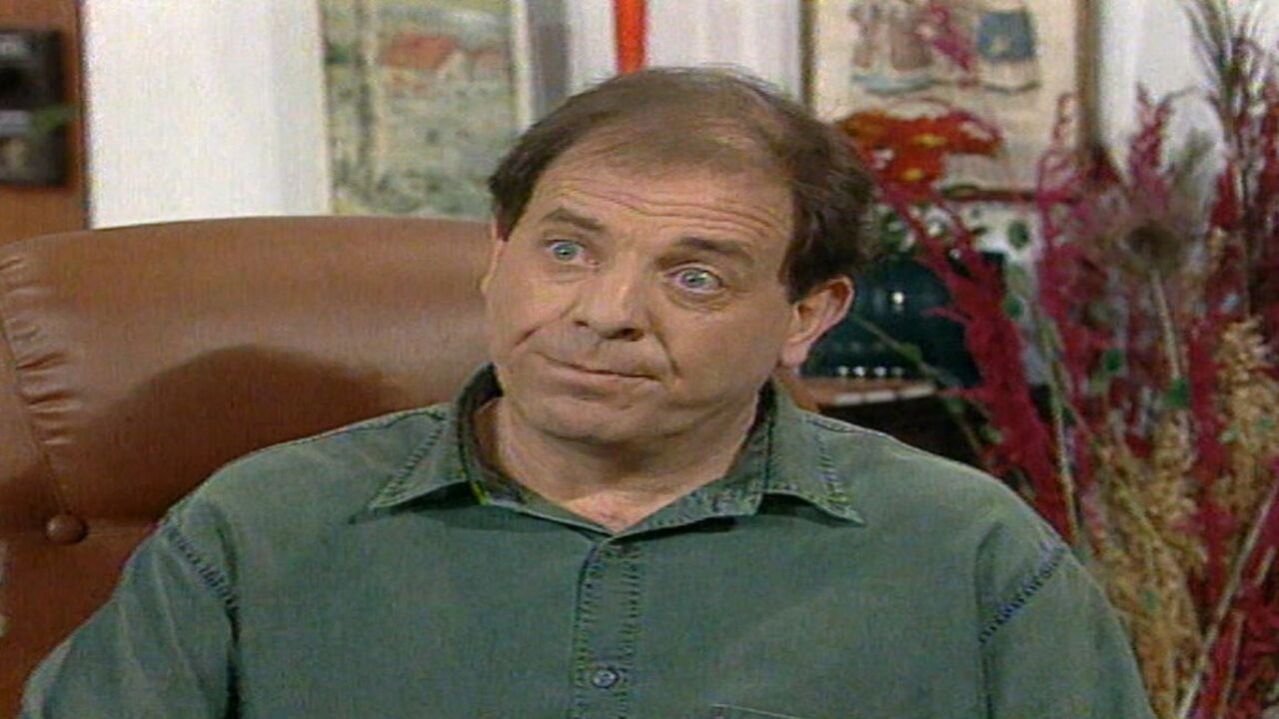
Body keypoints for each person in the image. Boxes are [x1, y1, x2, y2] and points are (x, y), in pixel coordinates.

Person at [21, 67, 1154, 718]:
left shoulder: (968, 557)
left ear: (806, 315)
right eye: (565, 250)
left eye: (694, 276)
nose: (605, 310)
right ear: (498, 250)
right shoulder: (255, 530)